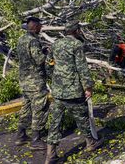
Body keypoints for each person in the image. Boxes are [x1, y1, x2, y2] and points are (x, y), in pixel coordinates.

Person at [45, 20, 103, 164]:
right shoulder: (77, 45)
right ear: (76, 31)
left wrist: (55, 77)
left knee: (55, 123)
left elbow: (48, 63)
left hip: (58, 91)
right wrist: (88, 87)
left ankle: (50, 156)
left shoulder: (55, 44)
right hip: (73, 91)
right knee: (82, 117)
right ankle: (90, 143)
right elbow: (82, 68)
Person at [15, 17, 49, 150]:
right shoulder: (33, 41)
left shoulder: (21, 39)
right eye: (40, 26)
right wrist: (45, 53)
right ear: (35, 27)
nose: (41, 28)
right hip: (35, 81)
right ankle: (36, 140)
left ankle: (21, 136)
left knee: (26, 108)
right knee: (40, 108)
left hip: (24, 80)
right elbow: (39, 60)